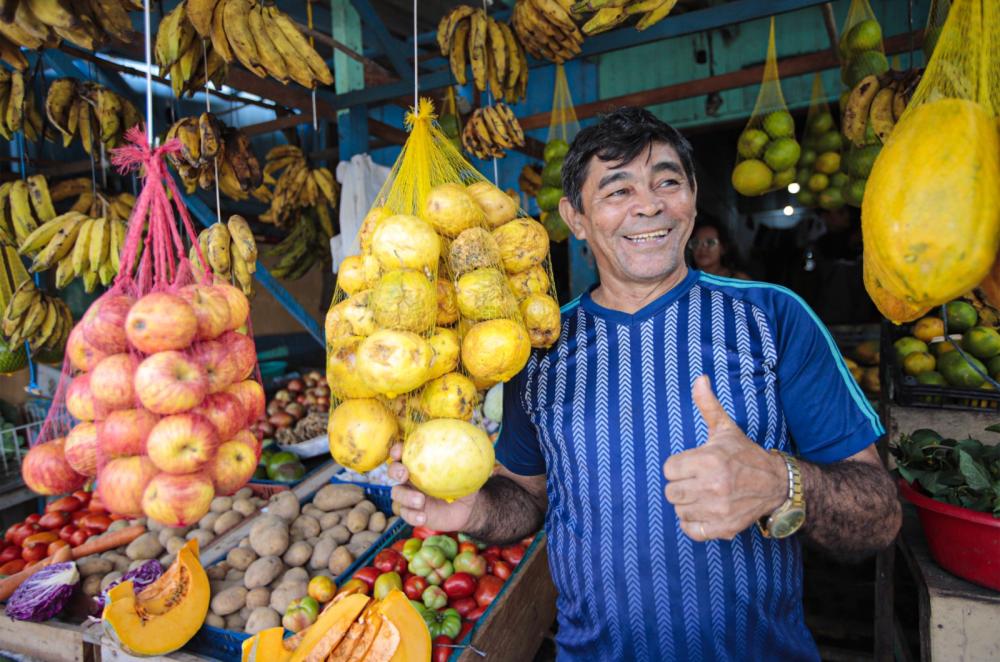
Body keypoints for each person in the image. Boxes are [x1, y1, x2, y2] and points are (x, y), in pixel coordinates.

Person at [389, 107, 901, 660]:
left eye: (667, 181)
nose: (649, 203)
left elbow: (880, 514)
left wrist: (782, 482)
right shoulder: (537, 347)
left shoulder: (774, 318)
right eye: (616, 190)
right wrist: (474, 511)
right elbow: (526, 500)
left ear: (693, 197)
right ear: (576, 217)